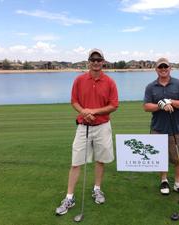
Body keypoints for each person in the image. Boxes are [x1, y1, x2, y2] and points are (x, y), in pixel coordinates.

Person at [56, 48, 119, 215]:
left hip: (103, 126)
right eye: (93, 59)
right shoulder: (79, 80)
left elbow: (114, 105)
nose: (96, 62)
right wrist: (85, 112)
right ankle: (69, 197)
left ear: (103, 62)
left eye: (99, 59)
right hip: (83, 126)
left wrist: (93, 112)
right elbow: (74, 101)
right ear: (89, 62)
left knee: (100, 160)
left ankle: (97, 189)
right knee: (76, 162)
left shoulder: (110, 82)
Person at [143, 57, 179, 196]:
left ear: (170, 68)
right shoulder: (151, 86)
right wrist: (161, 105)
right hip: (157, 128)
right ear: (156, 69)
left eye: (166, 67)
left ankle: (178, 184)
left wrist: (169, 101)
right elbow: (146, 106)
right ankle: (163, 180)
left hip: (175, 128)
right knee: (160, 158)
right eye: (160, 67)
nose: (163, 69)